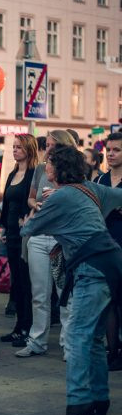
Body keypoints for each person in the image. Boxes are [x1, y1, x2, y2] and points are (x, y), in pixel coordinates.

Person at [21, 145, 122, 415]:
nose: (45, 167)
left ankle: (78, 401)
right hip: (112, 263)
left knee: (78, 336)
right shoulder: (92, 189)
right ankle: (100, 398)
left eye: (49, 163)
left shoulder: (60, 196)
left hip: (92, 268)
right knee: (95, 337)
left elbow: (29, 230)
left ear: (59, 167)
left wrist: (30, 216)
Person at [16, 131, 76, 358]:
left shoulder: (73, 171)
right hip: (40, 235)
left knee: (65, 293)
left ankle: (67, 343)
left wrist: (59, 195)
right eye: (47, 145)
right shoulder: (41, 169)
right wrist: (37, 204)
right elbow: (31, 197)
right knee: (39, 293)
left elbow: (79, 198)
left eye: (52, 145)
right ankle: (37, 340)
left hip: (61, 236)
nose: (47, 149)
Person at [0, 134, 38, 348]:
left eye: (19, 147)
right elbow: (7, 205)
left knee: (26, 283)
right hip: (12, 233)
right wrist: (5, 227)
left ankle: (27, 328)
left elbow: (33, 202)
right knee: (16, 283)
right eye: (13, 147)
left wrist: (27, 218)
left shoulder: (33, 174)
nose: (15, 150)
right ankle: (18, 327)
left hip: (26, 234)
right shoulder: (13, 172)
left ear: (29, 149)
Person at [95, 132, 122, 371]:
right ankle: (113, 350)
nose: (111, 154)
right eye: (109, 150)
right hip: (105, 245)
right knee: (110, 301)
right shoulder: (102, 180)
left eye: (117, 150)